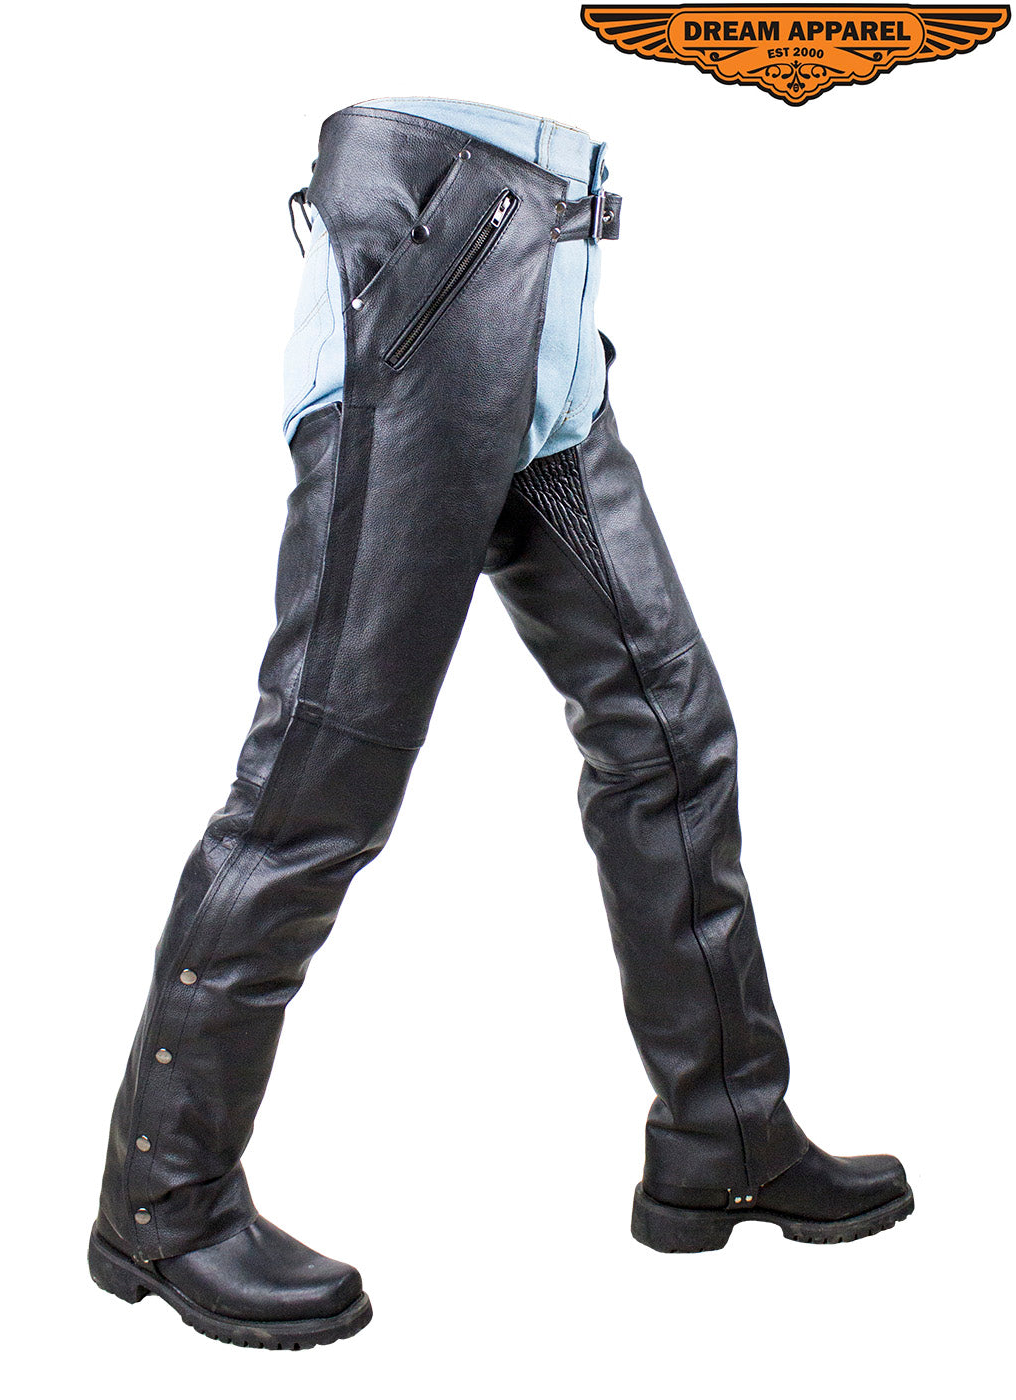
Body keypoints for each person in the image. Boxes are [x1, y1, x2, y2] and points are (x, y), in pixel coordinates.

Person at [88, 97, 913, 1351]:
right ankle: (162, 1201)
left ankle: (725, 1138)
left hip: (543, 317)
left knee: (672, 738)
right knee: (315, 783)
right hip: (433, 276)